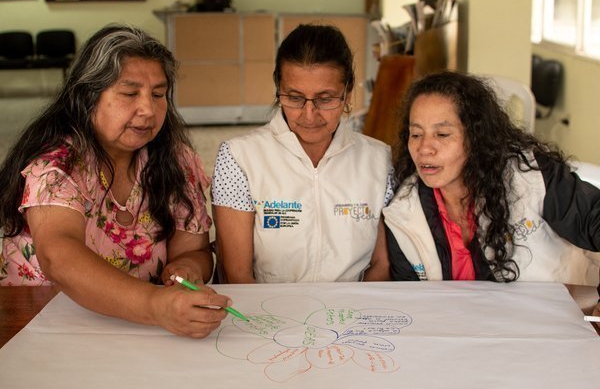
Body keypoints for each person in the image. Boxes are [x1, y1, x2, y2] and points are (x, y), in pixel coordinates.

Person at [0, 24, 232, 338]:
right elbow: (59, 256)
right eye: (129, 93)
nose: (148, 109)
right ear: (89, 96)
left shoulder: (176, 161)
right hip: (49, 323)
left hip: (138, 328)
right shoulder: (58, 164)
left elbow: (196, 251)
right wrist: (154, 304)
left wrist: (187, 268)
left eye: (159, 94)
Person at [211, 24, 394, 283]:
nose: (309, 115)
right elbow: (237, 274)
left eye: (326, 99)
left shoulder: (379, 160)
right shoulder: (239, 157)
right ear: (278, 87)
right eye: (295, 98)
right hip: (269, 313)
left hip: (351, 314)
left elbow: (381, 265)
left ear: (348, 91)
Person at [382, 70, 600, 286]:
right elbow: (409, 298)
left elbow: (593, 217)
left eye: (442, 134)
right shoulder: (402, 214)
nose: (424, 148)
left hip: (556, 314)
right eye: (416, 134)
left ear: (476, 137)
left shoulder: (531, 175)